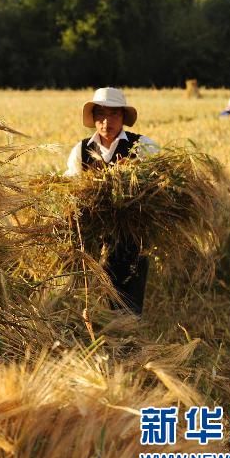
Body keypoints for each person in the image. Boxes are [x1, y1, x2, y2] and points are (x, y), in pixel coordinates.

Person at [65, 87, 158, 315]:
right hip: (95, 237)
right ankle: (106, 334)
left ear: (123, 117)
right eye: (101, 115)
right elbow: (69, 188)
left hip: (133, 234)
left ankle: (128, 338)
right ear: (94, 118)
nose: (107, 121)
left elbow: (159, 183)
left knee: (130, 294)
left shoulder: (142, 146)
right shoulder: (81, 150)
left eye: (114, 114)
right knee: (99, 293)